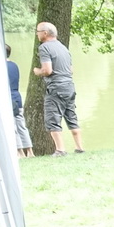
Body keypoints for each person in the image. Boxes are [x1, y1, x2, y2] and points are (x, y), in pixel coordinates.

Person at [32, 22, 84, 156]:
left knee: (52, 119)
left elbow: (47, 70)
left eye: (37, 31)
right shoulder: (63, 48)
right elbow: (71, 70)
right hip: (69, 86)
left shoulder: (44, 47)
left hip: (56, 87)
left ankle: (60, 150)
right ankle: (79, 147)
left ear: (45, 33)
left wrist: (38, 71)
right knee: (71, 117)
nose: (37, 34)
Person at [5, 44, 34, 158]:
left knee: (12, 126)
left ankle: (19, 152)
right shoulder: (14, 65)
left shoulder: (0, 66)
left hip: (8, 99)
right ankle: (30, 151)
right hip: (17, 98)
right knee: (21, 126)